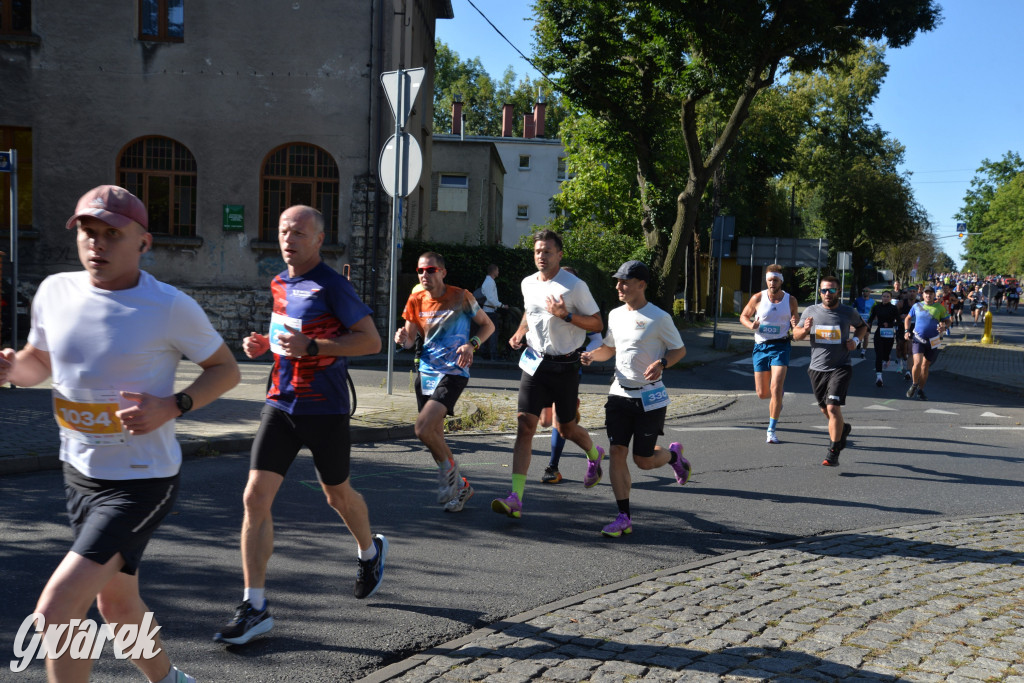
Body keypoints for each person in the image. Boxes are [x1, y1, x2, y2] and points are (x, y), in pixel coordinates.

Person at [0, 185, 240, 682]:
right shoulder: (54, 291)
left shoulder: (169, 306)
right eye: (89, 233)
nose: (98, 244)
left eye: (113, 234)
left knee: (57, 611)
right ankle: (171, 679)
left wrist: (174, 405)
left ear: (143, 242)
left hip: (141, 480)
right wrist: (10, 368)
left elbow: (225, 369)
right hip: (79, 473)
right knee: (117, 605)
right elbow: (38, 363)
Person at [215, 205, 386, 646]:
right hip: (280, 404)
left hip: (325, 409)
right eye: (283, 231)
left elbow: (370, 340)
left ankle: (370, 552)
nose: (288, 239)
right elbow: (286, 338)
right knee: (254, 496)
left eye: (299, 232)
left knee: (337, 496)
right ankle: (255, 607)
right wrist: (263, 345)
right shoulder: (279, 283)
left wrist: (312, 346)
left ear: (319, 239)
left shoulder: (332, 285)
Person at [492, 230, 604, 519]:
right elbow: (530, 313)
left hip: (565, 365)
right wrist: (519, 332)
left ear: (559, 254)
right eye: (538, 251)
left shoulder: (574, 286)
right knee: (524, 425)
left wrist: (566, 315)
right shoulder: (527, 282)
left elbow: (596, 323)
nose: (541, 256)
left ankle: (594, 454)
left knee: (566, 428)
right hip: (535, 363)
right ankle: (516, 498)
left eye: (548, 251)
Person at [580, 261, 690, 537]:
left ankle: (673, 456)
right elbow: (609, 348)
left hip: (650, 397)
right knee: (617, 451)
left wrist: (662, 363)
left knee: (643, 459)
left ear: (641, 284)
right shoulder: (616, 315)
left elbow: (679, 350)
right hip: (619, 393)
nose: (619, 286)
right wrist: (594, 356)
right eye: (617, 281)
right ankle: (623, 517)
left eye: (625, 282)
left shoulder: (659, 317)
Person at [395, 252, 494, 512]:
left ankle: (451, 480)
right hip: (426, 372)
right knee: (433, 435)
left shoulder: (461, 296)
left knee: (423, 429)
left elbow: (487, 326)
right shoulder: (416, 299)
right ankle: (461, 487)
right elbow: (409, 341)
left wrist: (472, 344)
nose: (424, 275)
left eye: (430, 270)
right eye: (420, 271)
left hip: (453, 371)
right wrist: (401, 339)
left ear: (442, 272)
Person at [793, 274, 868, 467]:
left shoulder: (847, 312)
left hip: (841, 366)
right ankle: (842, 429)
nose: (828, 293)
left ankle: (833, 451)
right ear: (820, 292)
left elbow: (862, 327)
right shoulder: (810, 311)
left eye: (832, 290)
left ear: (838, 292)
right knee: (825, 409)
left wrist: (856, 341)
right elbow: (796, 336)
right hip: (817, 368)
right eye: (824, 290)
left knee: (833, 407)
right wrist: (805, 329)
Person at [738, 265, 800, 444]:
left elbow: (796, 325)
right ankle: (777, 400)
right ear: (767, 281)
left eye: (775, 280)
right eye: (769, 280)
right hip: (761, 347)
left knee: (776, 387)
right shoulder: (758, 297)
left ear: (781, 281)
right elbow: (743, 316)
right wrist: (751, 326)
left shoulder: (791, 300)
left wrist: (795, 323)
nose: (772, 283)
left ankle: (771, 429)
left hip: (781, 346)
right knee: (763, 393)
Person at [904, 286, 950, 401]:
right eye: (926, 293)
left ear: (934, 295)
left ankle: (920, 390)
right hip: (918, 338)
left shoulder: (939, 307)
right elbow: (908, 318)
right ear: (923, 295)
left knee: (925, 366)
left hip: (933, 340)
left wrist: (944, 327)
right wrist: (906, 331)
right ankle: (914, 384)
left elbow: (948, 321)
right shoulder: (917, 306)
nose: (928, 295)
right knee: (918, 363)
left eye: (930, 293)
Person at [866, 290, 901, 387]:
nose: (885, 298)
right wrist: (867, 328)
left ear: (890, 298)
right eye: (884, 296)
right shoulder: (877, 307)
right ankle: (879, 377)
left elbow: (899, 321)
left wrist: (890, 324)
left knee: (886, 354)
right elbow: (871, 319)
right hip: (879, 333)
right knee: (878, 354)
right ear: (881, 297)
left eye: (887, 296)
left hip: (889, 333)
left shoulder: (893, 308)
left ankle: (887, 358)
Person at [479, 264, 508, 360]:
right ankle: (492, 354)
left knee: (487, 332)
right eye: (497, 270)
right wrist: (502, 305)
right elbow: (491, 298)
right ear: (494, 271)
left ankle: (486, 353)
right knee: (493, 333)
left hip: (488, 310)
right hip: (489, 311)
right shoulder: (489, 282)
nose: (498, 272)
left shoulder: (489, 281)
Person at [854, 288, 874, 358]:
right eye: (863, 291)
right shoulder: (858, 300)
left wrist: (872, 319)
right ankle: (858, 341)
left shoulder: (872, 301)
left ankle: (863, 351)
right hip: (859, 320)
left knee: (866, 336)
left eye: (866, 291)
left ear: (869, 292)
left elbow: (874, 311)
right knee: (857, 334)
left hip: (868, 321)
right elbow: (852, 308)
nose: (865, 292)